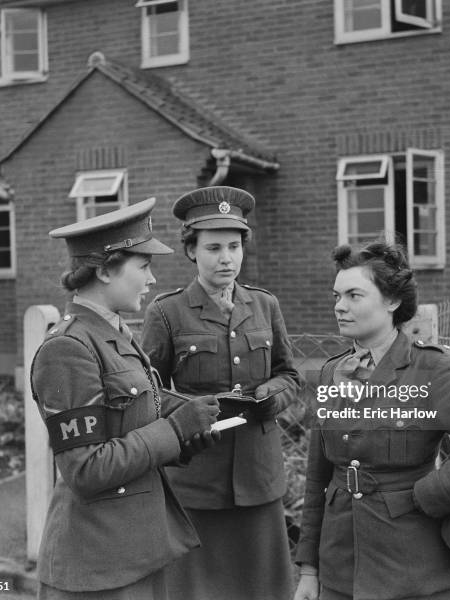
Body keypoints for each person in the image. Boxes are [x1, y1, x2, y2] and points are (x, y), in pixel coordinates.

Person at [293, 241, 450, 600]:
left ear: (392, 301)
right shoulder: (330, 372)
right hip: (340, 570)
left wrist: (425, 494)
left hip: (414, 569)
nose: (340, 306)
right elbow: (317, 476)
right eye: (337, 296)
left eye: (354, 295)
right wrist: (309, 570)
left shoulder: (432, 368)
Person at [31, 198, 221, 599]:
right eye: (144, 266)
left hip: (136, 552)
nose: (152, 280)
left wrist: (186, 430)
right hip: (97, 565)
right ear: (103, 269)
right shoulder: (68, 348)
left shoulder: (114, 334)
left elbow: (136, 414)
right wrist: (173, 431)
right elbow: (85, 470)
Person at [141, 186, 302, 600]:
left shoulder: (265, 306)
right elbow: (147, 391)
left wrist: (271, 396)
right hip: (197, 478)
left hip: (258, 475)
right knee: (196, 589)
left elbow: (289, 374)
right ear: (192, 251)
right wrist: (191, 411)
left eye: (234, 246)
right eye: (213, 247)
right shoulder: (166, 312)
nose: (226, 258)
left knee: (262, 587)